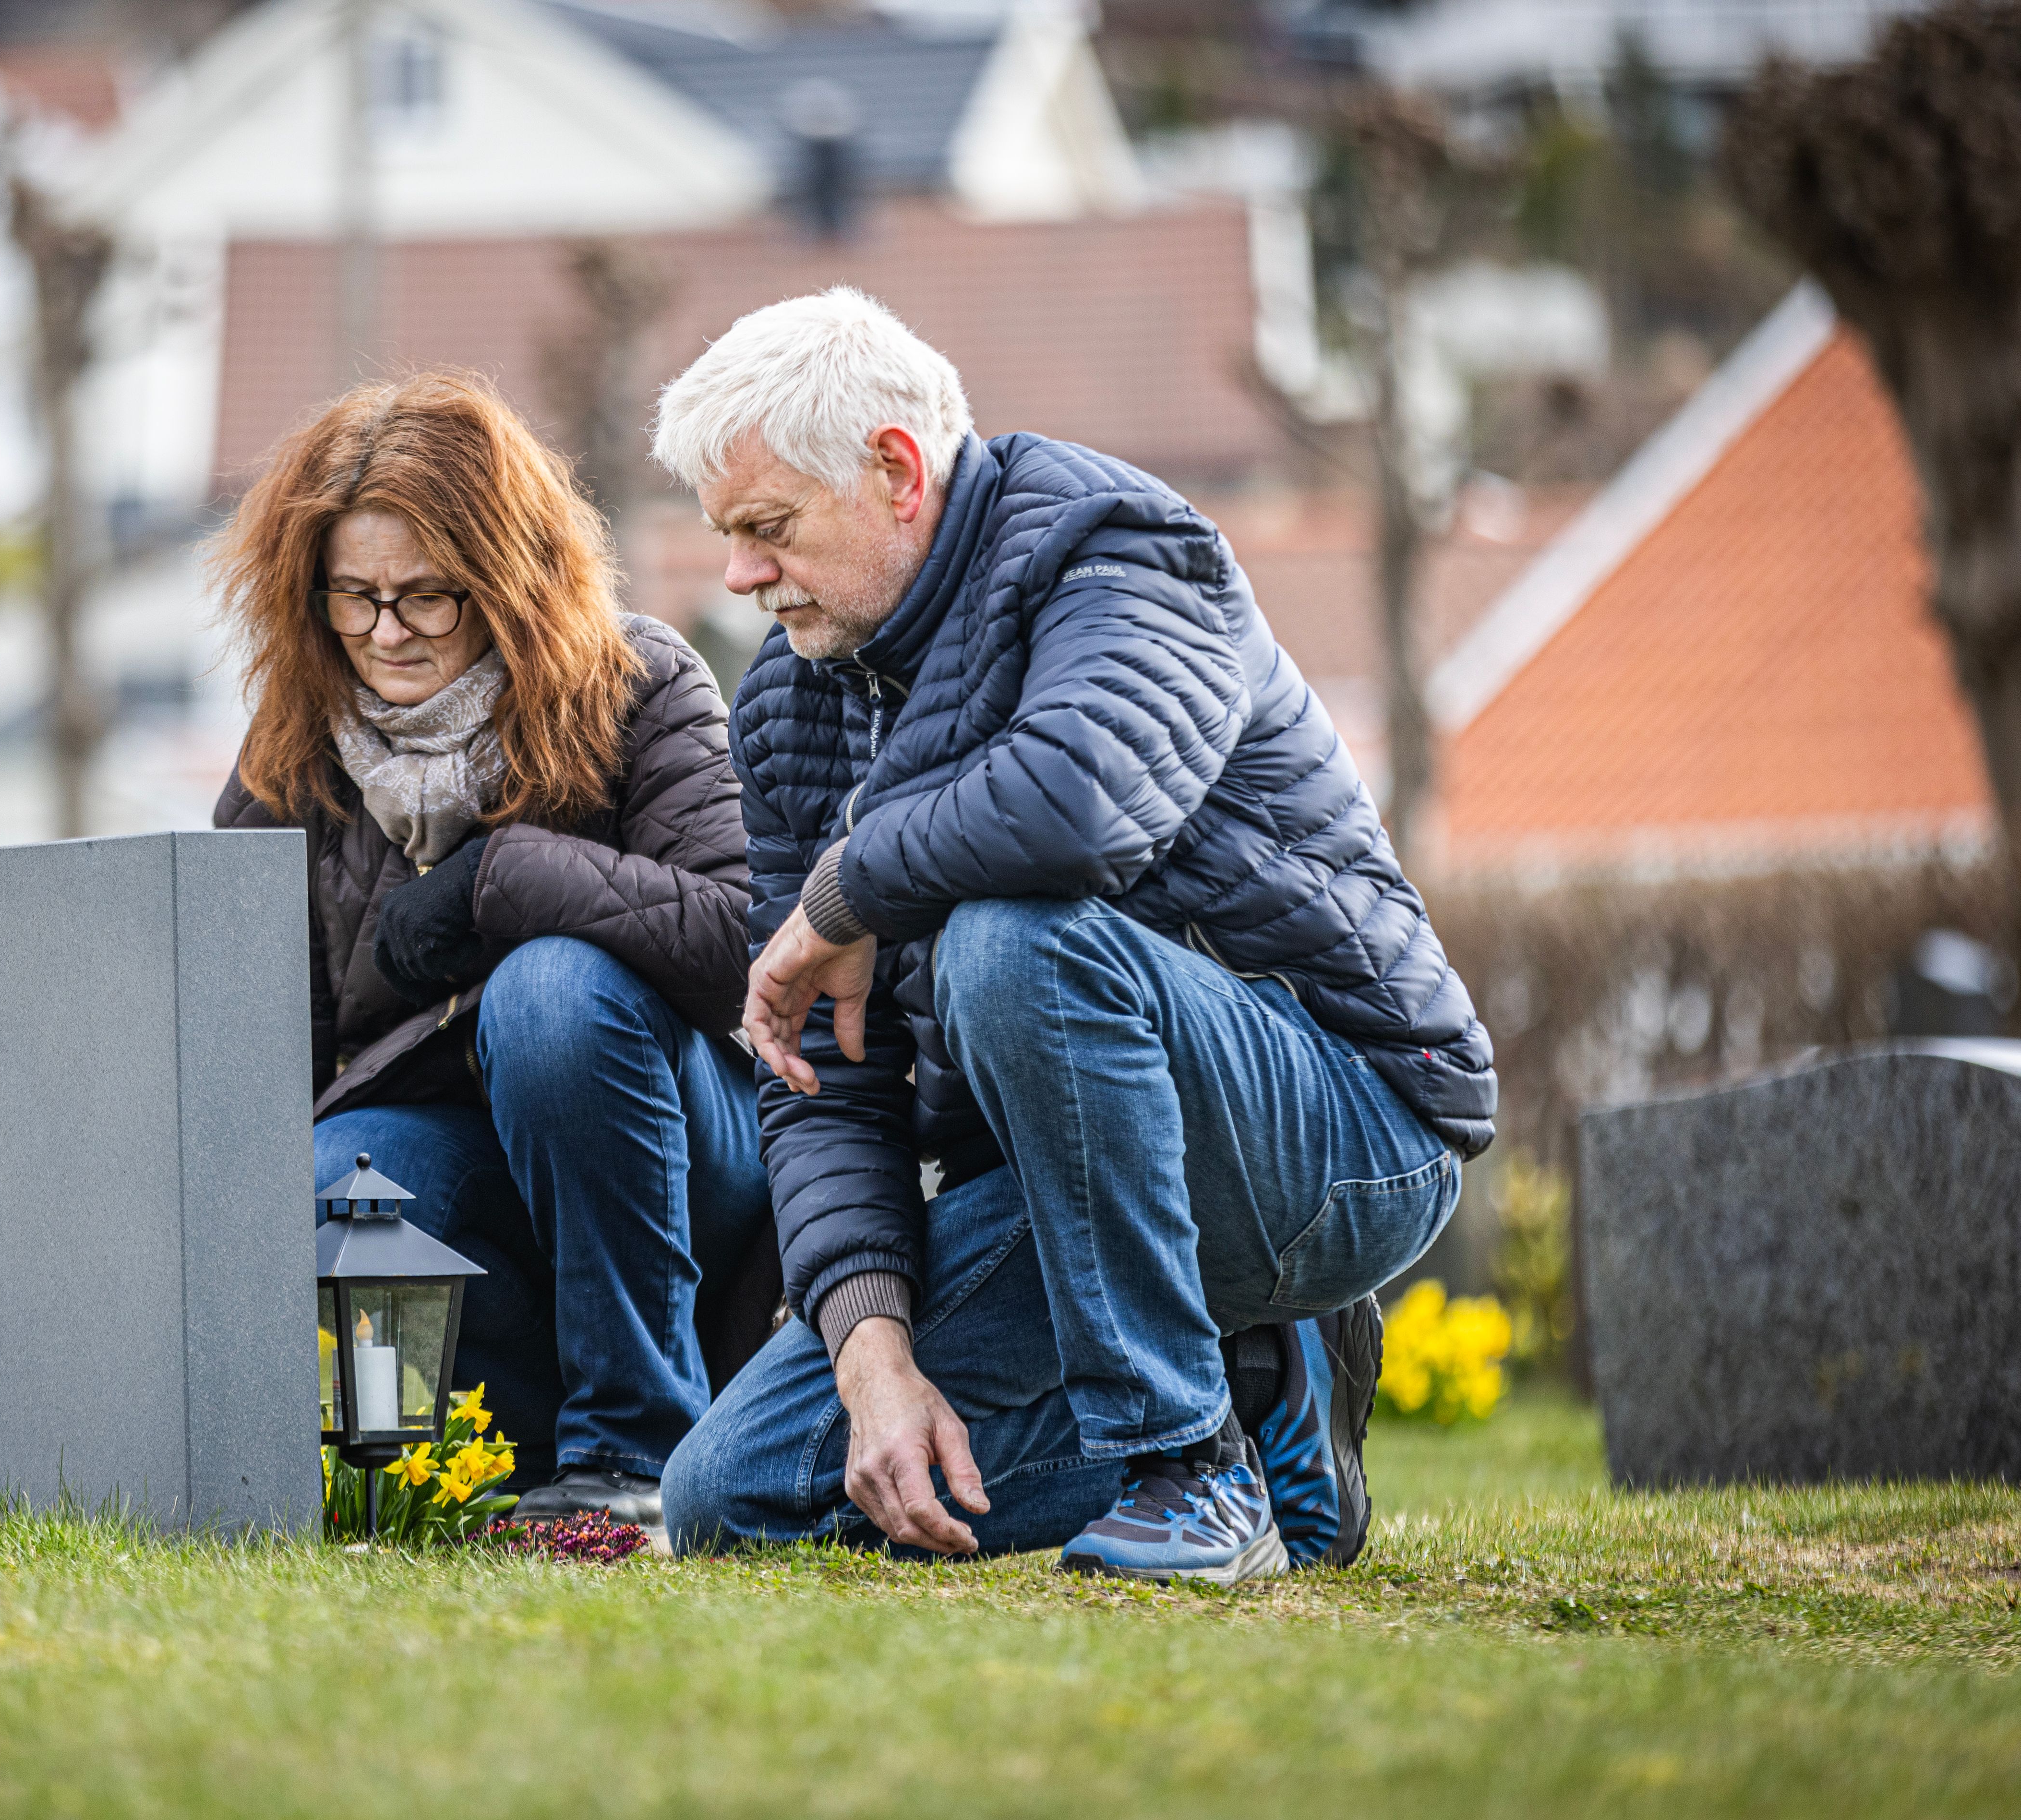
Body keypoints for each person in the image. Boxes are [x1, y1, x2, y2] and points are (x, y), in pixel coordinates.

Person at [653, 291, 1497, 1581]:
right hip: (1072, 1192)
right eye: (725, 536)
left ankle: (1191, 1472)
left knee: (1008, 940)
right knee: (731, 1493)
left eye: (767, 529)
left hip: (1349, 1126)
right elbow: (829, 1080)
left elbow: (1075, 804)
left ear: (895, 471)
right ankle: (1262, 1388)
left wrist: (846, 891)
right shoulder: (784, 710)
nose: (739, 576)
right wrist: (874, 1357)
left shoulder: (1120, 547)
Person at [212, 371, 770, 1526]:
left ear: (507, 580)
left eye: (427, 596)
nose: (384, 633)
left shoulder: (639, 681)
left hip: (668, 1138)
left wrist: (502, 879)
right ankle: (483, 1464)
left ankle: (636, 1457)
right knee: (340, 1174)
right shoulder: (292, 753)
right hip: (466, 1158)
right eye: (352, 598)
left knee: (552, 993)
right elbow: (256, 1061)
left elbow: (737, 941)